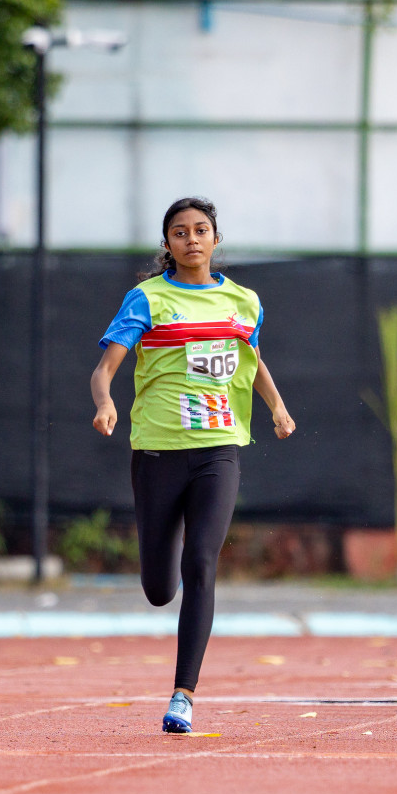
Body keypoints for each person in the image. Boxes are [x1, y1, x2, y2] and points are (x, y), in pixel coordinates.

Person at [90, 196, 295, 734]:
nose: (191, 239)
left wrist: (276, 405)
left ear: (216, 240)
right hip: (157, 450)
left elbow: (251, 359)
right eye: (179, 232)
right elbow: (104, 368)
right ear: (168, 245)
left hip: (220, 448)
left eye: (201, 230)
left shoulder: (243, 301)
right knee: (161, 588)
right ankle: (165, 547)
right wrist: (106, 401)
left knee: (201, 562)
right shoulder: (147, 299)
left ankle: (183, 694)